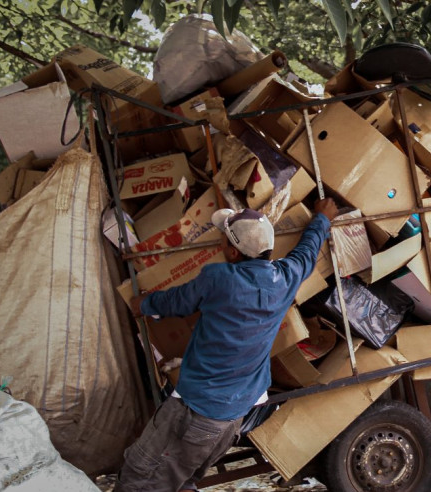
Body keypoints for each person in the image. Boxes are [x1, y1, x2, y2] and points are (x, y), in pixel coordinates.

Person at [116, 198, 338, 492]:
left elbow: (177, 301)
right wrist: (321, 220)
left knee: (140, 478)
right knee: (183, 480)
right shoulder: (283, 279)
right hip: (232, 420)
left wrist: (144, 304)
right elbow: (307, 254)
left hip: (194, 413)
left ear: (232, 252)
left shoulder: (218, 279)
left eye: (223, 237)